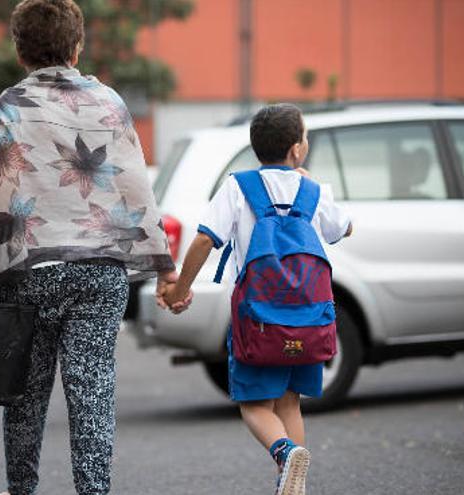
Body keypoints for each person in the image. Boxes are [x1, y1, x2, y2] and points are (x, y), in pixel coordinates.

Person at [0, 1, 191, 493]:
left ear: (19, 49)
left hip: (30, 270)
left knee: (24, 396)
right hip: (99, 271)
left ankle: (21, 490)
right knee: (93, 394)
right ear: (78, 44)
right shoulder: (108, 101)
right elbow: (135, 187)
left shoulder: (11, 104)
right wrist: (164, 268)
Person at [160, 104, 352, 494]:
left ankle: (284, 453)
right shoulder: (314, 190)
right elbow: (344, 229)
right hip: (308, 320)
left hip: (259, 321)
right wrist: (311, 185)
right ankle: (293, 479)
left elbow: (203, 240)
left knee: (254, 406)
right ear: (297, 150)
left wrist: (180, 289)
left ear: (255, 148)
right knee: (289, 403)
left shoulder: (238, 187)